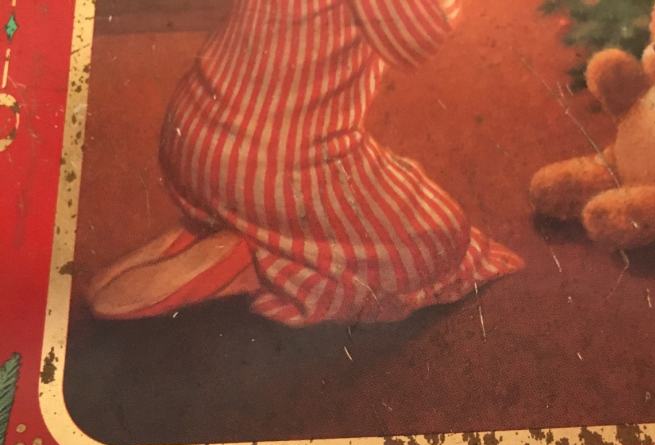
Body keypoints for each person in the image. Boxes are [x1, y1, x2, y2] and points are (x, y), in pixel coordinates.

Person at [88, 0, 523, 326]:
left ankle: (218, 226)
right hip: (269, 165)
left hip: (193, 129)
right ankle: (255, 259)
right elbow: (417, 38)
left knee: (397, 177)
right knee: (442, 234)